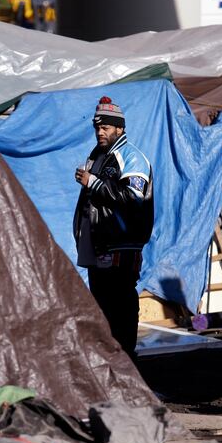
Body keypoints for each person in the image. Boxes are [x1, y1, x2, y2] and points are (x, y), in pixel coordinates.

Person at [73, 96, 154, 355]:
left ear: (120, 128)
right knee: (103, 308)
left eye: (106, 127)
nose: (100, 132)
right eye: (97, 127)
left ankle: (128, 363)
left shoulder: (131, 156)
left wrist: (93, 182)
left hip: (122, 245)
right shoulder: (98, 156)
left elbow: (133, 197)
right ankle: (112, 367)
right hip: (100, 247)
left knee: (121, 307)